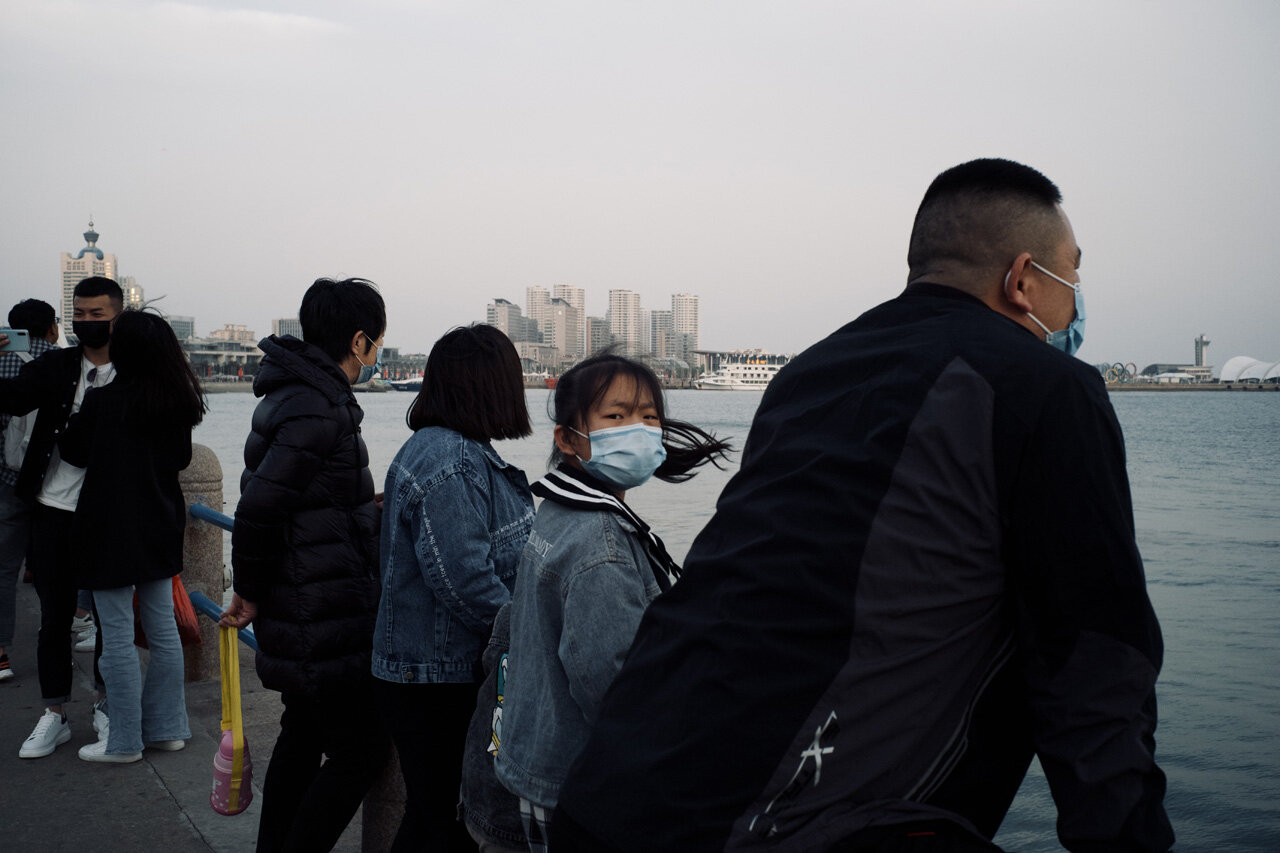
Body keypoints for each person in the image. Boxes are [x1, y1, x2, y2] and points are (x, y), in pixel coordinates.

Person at [551, 160, 1174, 852]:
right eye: (1073, 276)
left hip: (613, 794)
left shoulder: (811, 371)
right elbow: (1093, 663)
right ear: (1023, 280)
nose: (1076, 298)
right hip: (772, 829)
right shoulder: (1046, 388)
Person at [494, 352, 731, 848]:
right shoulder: (600, 544)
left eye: (649, 416)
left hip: (536, 757)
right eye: (616, 417)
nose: (640, 430)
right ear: (568, 438)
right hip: (575, 780)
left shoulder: (558, 508)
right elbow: (616, 687)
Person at [219, 278, 392, 852]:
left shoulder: (295, 394)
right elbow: (261, 506)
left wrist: (358, 505)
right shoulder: (320, 407)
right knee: (362, 749)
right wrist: (248, 590)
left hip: (305, 596)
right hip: (317, 606)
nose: (377, 356)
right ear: (361, 340)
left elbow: (296, 496)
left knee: (303, 732)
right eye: (378, 344)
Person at [373, 324, 535, 851]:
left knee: (429, 815)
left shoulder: (445, 451)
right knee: (447, 821)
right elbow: (464, 581)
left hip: (426, 673)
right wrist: (529, 631)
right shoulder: (454, 462)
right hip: (440, 679)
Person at [57, 309, 204, 762]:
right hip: (159, 526)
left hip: (107, 530)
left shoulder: (104, 400)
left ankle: (123, 741)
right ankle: (167, 727)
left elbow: (74, 450)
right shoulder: (177, 402)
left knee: (116, 637)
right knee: (162, 632)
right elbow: (179, 460)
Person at [0, 277, 121, 758]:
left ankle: (108, 708)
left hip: (110, 516)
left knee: (112, 622)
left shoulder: (135, 371)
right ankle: (54, 714)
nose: (88, 322)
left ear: (117, 315)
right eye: (81, 314)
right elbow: (10, 399)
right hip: (52, 509)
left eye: (98, 314)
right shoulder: (56, 364)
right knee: (54, 620)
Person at [0, 298, 60, 683]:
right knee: (57, 570)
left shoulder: (2, 362)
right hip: (56, 482)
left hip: (8, 479)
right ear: (53, 327)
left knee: (4, 568)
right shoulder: (65, 361)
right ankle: (58, 646)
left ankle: (1, 653)